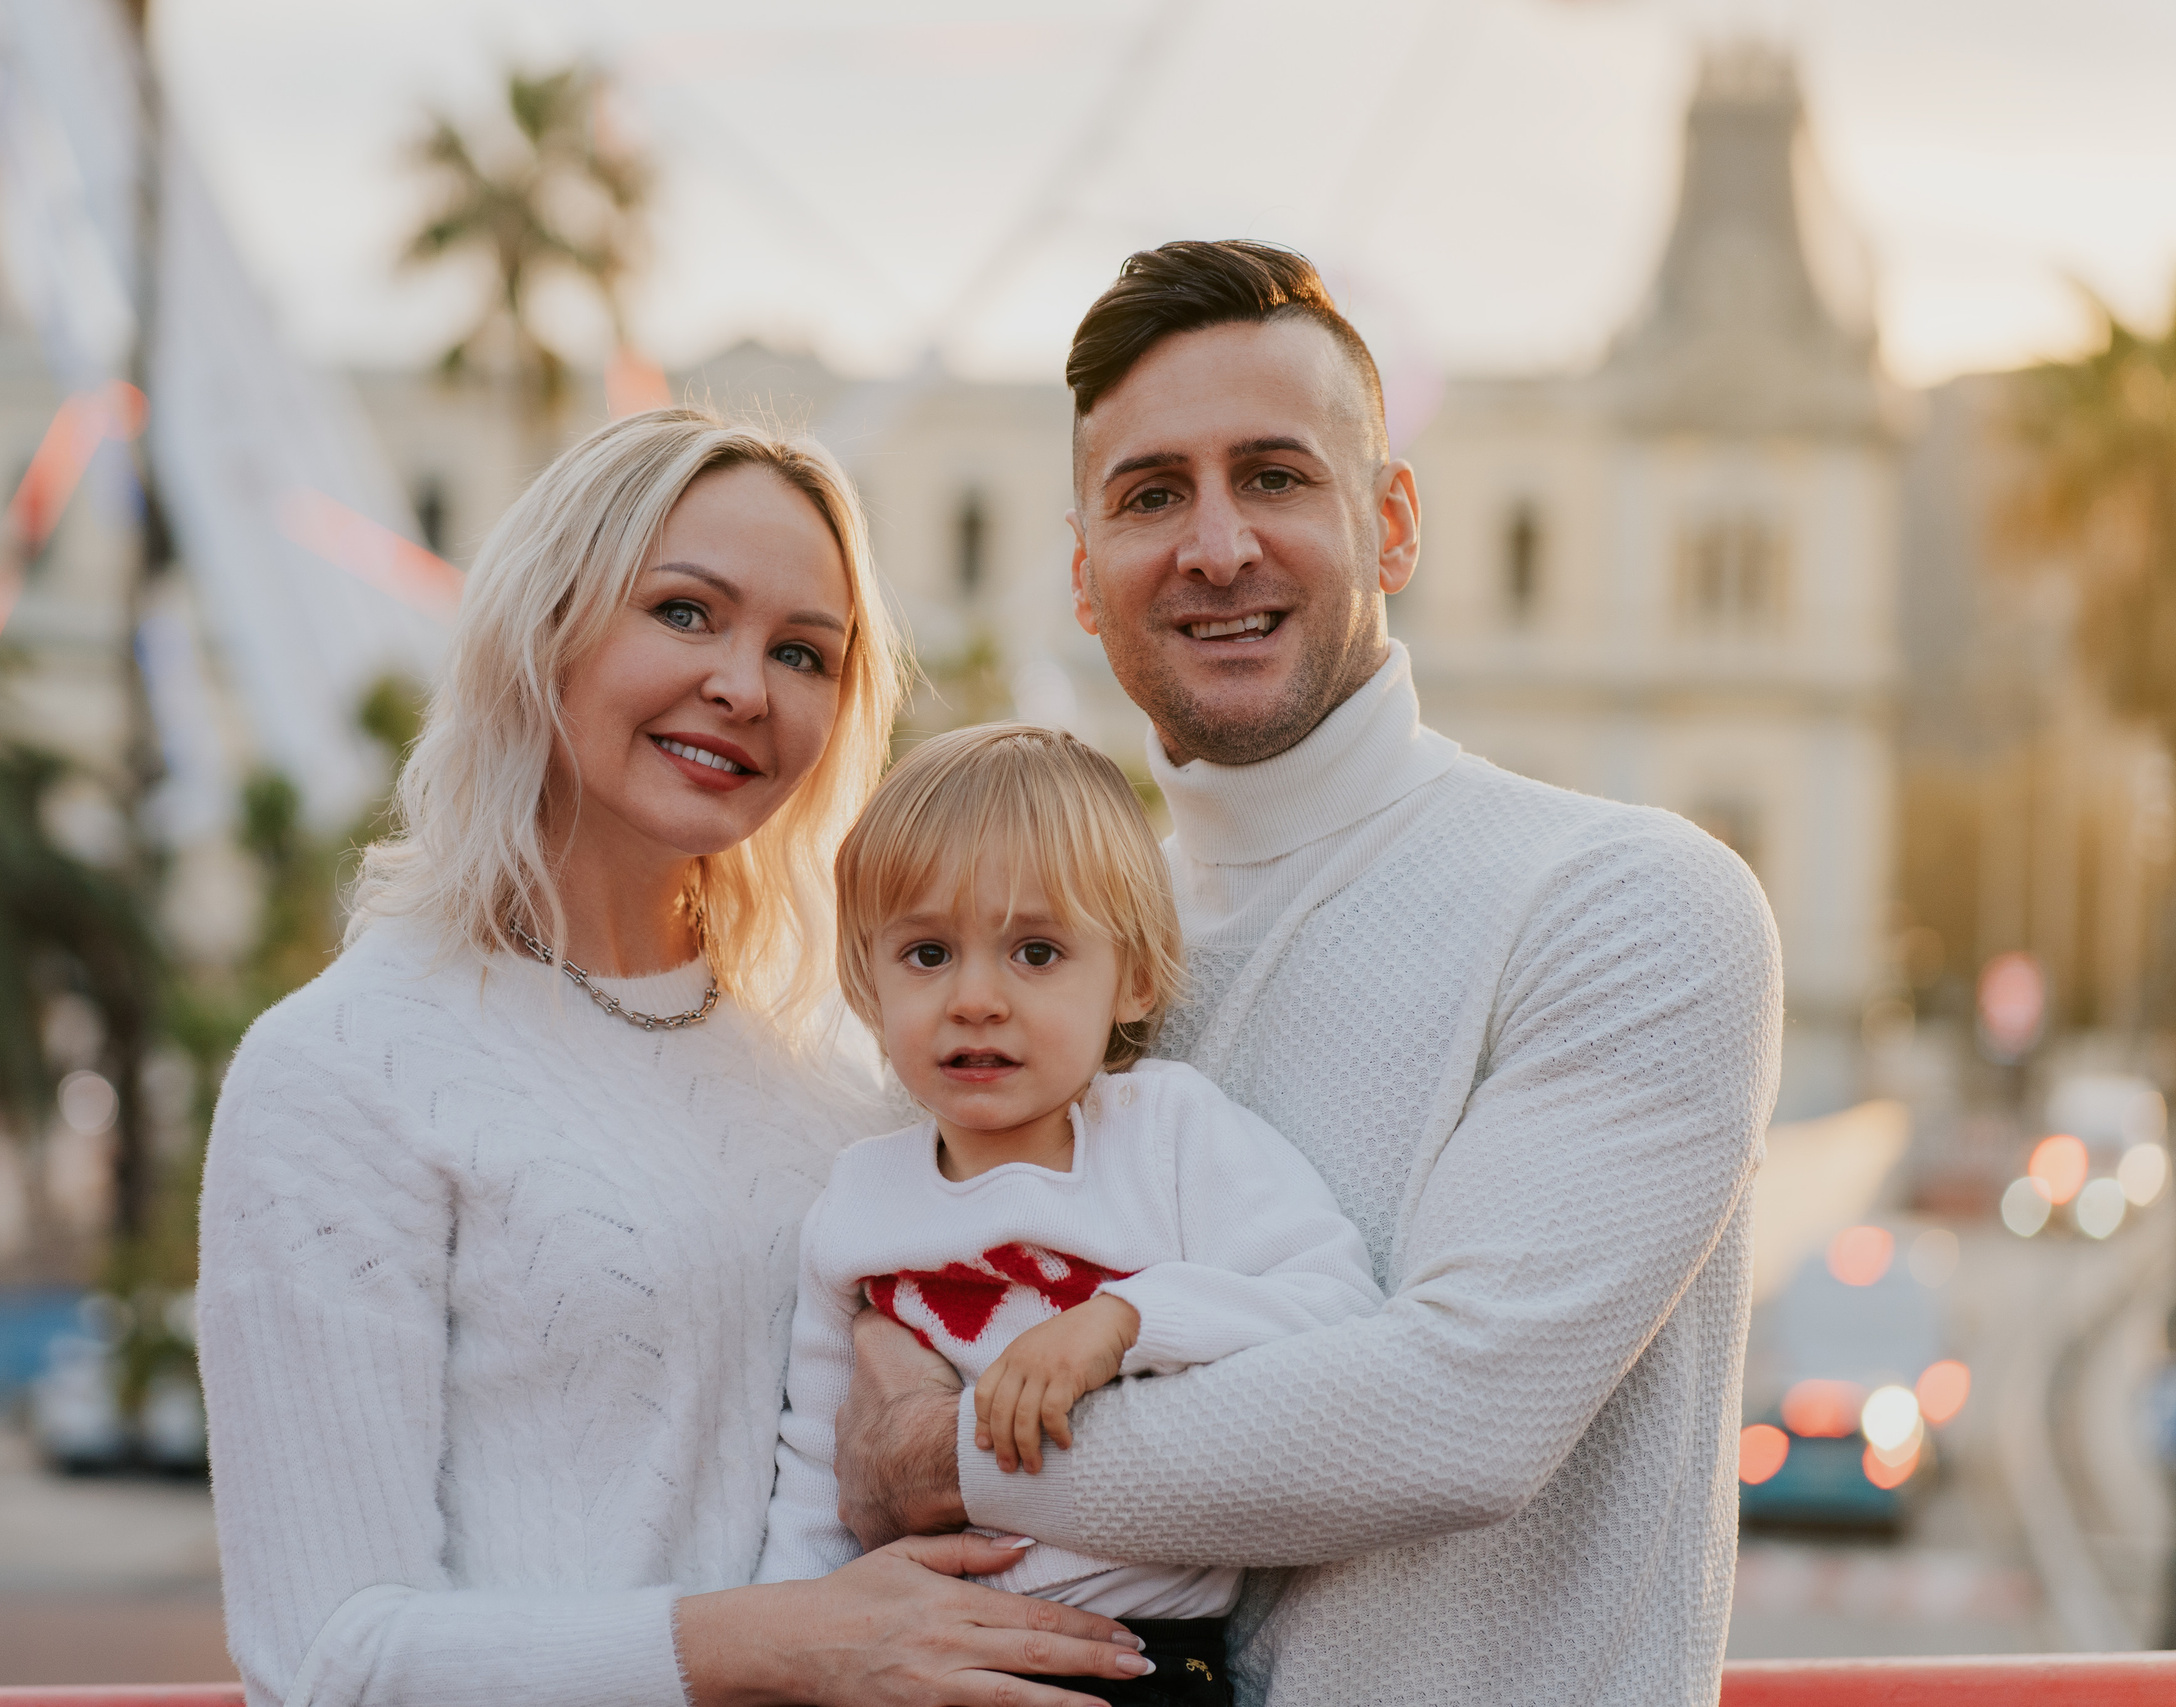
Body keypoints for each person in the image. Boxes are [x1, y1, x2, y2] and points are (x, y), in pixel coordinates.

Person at [829, 242, 1784, 1706]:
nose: (1216, 546)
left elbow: (1457, 1412)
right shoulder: (1057, 969)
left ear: (1392, 522)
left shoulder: (1628, 903)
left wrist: (937, 1454)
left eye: (1275, 476)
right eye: (1153, 495)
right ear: (1084, 577)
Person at [198, 408, 1152, 1707]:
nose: (747, 687)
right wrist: (784, 1641)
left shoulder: (852, 1086)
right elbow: (324, 1658)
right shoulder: (342, 1070)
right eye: (687, 612)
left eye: (804, 651)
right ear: (550, 619)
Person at [757, 724, 1383, 1705]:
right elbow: (815, 1464)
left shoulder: (1167, 1133)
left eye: (1035, 952)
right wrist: (793, 1652)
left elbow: (1334, 1303)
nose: (974, 999)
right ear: (865, 988)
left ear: (1132, 976)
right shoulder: (859, 1199)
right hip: (916, 1657)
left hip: (1135, 1660)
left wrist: (1124, 1320)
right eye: (926, 953)